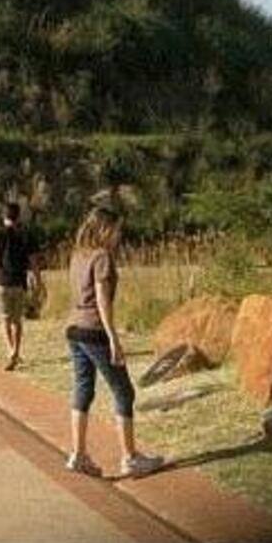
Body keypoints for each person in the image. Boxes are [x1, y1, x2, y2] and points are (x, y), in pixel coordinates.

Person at [63, 202, 162, 478]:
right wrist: (113, 338)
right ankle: (130, 457)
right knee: (124, 391)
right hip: (94, 330)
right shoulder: (102, 257)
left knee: (83, 388)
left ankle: (78, 453)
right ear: (105, 230)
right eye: (116, 230)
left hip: (73, 328)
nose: (119, 235)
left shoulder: (78, 255)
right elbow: (102, 299)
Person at [0, 202, 35, 370]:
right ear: (18, 216)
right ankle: (17, 349)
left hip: (2, 281)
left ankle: (10, 350)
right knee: (17, 320)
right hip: (19, 282)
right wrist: (37, 278)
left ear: (3, 216)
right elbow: (32, 260)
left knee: (4, 319)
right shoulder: (25, 235)